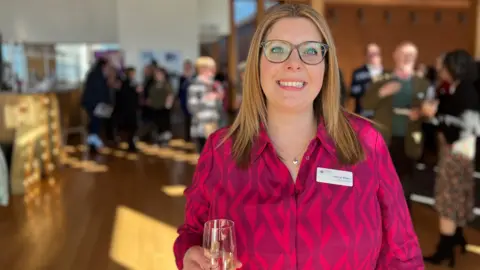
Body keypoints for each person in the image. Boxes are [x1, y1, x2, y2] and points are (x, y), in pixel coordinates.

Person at [174, 4, 423, 270]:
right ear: (257, 63)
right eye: (277, 50)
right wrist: (189, 252)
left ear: (326, 66)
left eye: (311, 51)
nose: (294, 64)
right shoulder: (221, 151)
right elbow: (193, 232)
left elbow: (402, 254)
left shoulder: (366, 143)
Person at [422, 49, 480, 267]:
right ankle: (457, 238)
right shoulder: (462, 88)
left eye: (444, 66)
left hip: (457, 152)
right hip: (462, 151)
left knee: (448, 199)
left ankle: (444, 250)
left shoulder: (465, 91)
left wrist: (434, 115)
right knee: (458, 196)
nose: (441, 69)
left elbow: (463, 126)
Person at [363, 42, 430, 211]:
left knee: (405, 185)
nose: (407, 58)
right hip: (384, 139)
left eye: (411, 55)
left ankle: (403, 226)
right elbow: (366, 103)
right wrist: (382, 93)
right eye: (404, 54)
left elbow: (429, 109)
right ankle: (379, 222)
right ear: (395, 56)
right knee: (380, 183)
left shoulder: (422, 83)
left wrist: (421, 112)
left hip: (409, 139)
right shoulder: (381, 79)